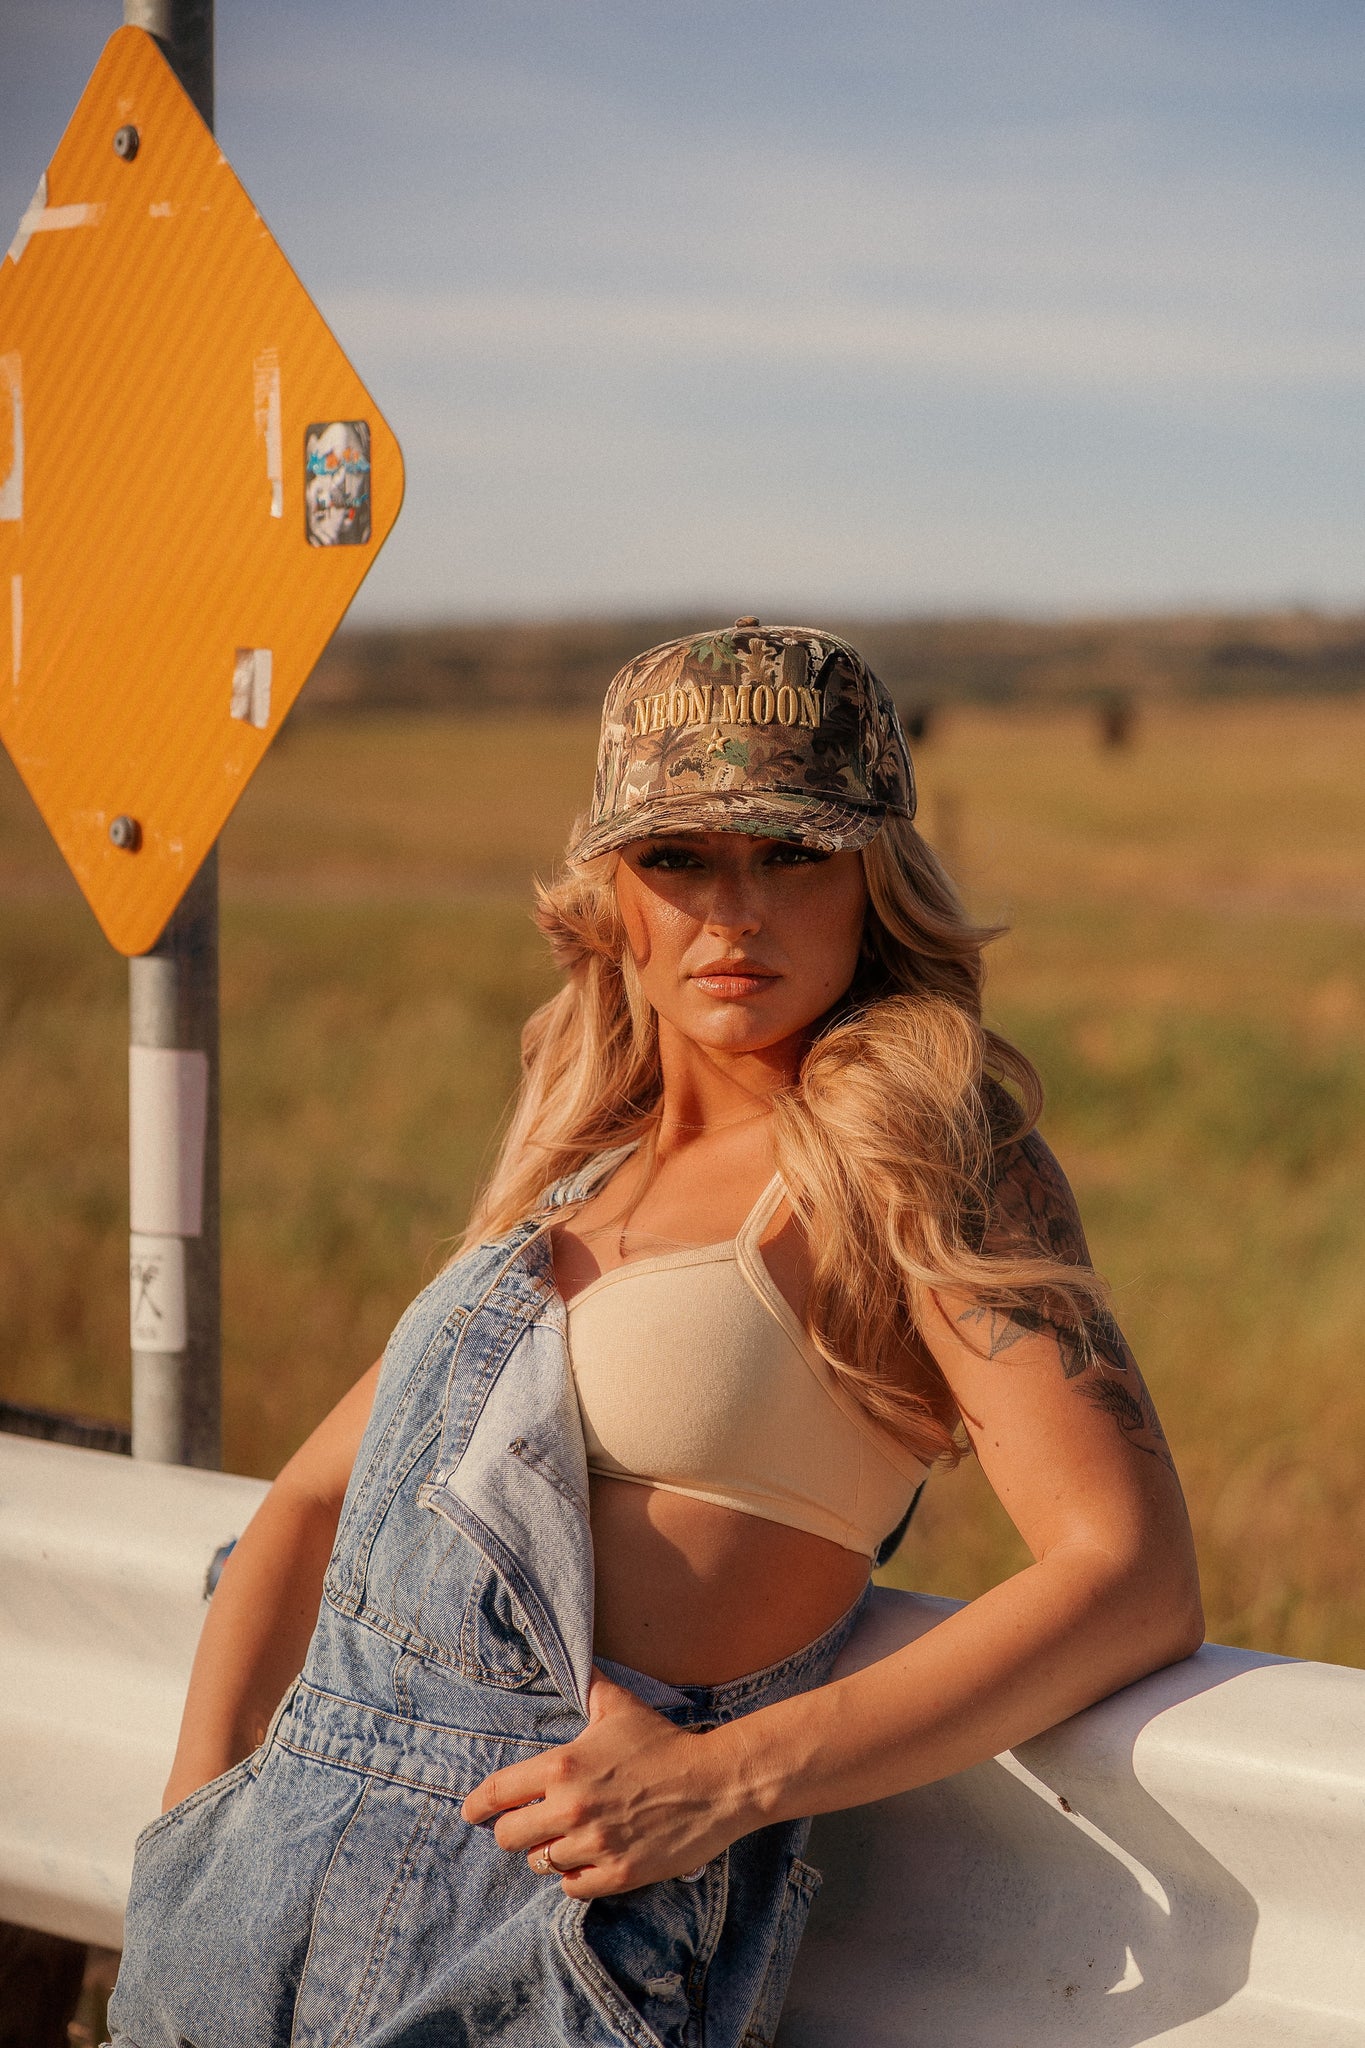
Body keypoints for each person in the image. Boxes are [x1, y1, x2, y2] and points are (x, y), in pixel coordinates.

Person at [108, 621, 1202, 2048]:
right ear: (613, 892)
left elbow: (1127, 1575)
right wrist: (196, 1826)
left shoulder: (917, 1157)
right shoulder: (578, 1170)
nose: (733, 914)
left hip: (543, 1942)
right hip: (243, 1918)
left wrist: (725, 1781)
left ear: (874, 883)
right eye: (679, 858)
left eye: (792, 853)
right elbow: (316, 1498)